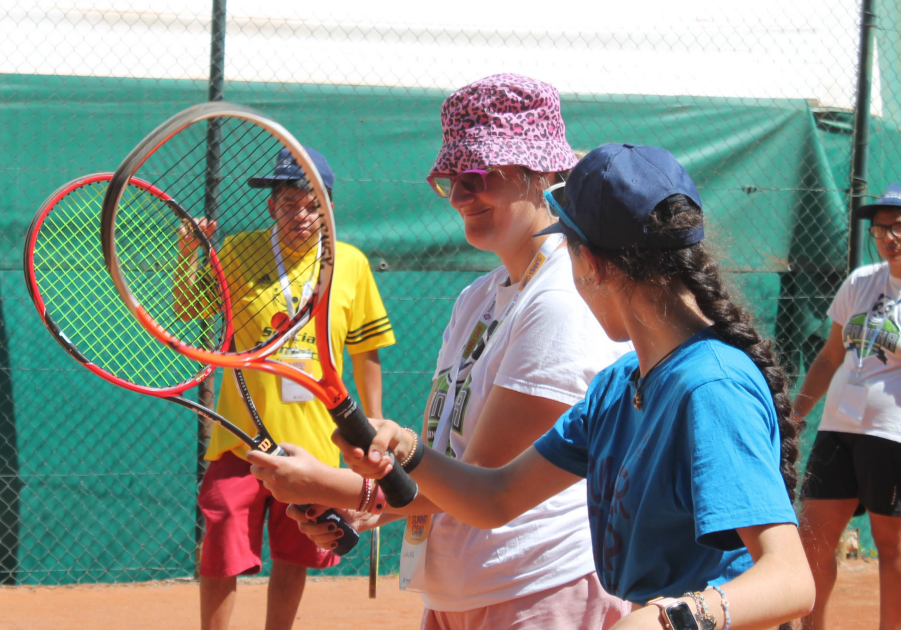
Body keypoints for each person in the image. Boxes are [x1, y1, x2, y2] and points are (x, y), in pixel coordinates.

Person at [336, 143, 816, 630]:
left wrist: (667, 620)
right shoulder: (614, 389)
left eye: (564, 247)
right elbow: (496, 497)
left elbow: (791, 580)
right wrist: (408, 448)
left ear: (592, 263)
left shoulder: (709, 387)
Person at [248, 74, 632, 629]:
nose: (457, 196)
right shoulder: (477, 298)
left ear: (540, 173)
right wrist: (368, 502)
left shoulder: (563, 300)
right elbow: (445, 463)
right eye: (450, 179)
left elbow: (486, 483)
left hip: (538, 590)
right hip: (457, 590)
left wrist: (328, 484)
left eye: (477, 176)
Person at [187, 147, 397, 630]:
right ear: (271, 206)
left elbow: (367, 352)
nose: (299, 215)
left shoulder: (351, 264)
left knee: (295, 553)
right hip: (240, 441)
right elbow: (189, 310)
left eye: (311, 204)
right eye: (287, 203)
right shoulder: (239, 251)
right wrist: (190, 255)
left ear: (328, 209)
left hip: (313, 444)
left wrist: (372, 426)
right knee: (220, 552)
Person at [793, 183, 901, 630]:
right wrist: (795, 413)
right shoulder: (861, 281)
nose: (886, 238)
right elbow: (829, 358)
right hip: (838, 427)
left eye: (896, 228)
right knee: (814, 538)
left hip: (890, 433)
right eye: (879, 230)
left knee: (890, 546)